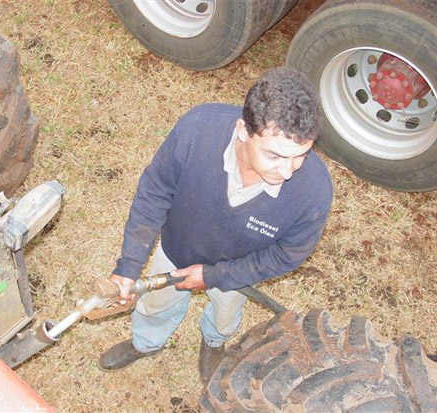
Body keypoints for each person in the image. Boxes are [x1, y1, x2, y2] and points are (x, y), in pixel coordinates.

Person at [98, 67, 333, 383]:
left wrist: (216, 276)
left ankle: (214, 342)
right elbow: (155, 191)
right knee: (154, 305)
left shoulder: (313, 190)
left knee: (226, 314)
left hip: (237, 270)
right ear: (242, 130)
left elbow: (287, 255)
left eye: (300, 155)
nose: (288, 171)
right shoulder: (197, 130)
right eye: (275, 156)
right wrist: (128, 265)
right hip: (177, 250)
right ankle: (146, 343)